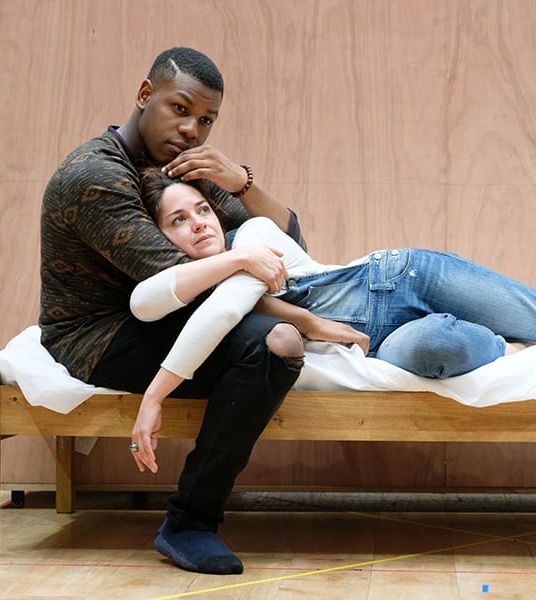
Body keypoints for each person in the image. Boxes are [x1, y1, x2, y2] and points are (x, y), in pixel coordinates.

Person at [127, 168, 536, 455]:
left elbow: (220, 313)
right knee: (438, 351)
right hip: (386, 338)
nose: (198, 224)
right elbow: (145, 303)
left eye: (202, 209)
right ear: (162, 239)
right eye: (178, 221)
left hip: (407, 276)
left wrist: (154, 398)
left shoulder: (252, 237)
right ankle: (508, 338)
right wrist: (311, 324)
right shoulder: (206, 282)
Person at [38, 47, 344, 576]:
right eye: (180, 109)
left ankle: (189, 519)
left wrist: (239, 181)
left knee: (278, 333)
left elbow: (289, 240)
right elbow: (183, 283)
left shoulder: (179, 169)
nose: (191, 130)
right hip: (99, 335)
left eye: (205, 120)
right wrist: (306, 321)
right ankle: (189, 522)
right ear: (143, 95)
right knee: (278, 342)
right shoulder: (94, 175)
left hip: (163, 311)